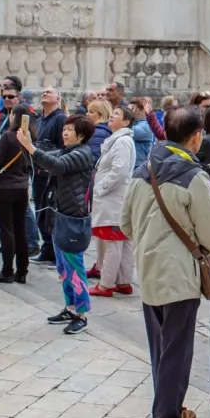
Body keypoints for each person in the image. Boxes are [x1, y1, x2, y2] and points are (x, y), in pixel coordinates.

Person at [122, 107, 210, 418]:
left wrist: (150, 242)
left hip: (149, 269)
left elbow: (125, 223)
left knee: (161, 349)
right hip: (179, 272)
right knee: (177, 351)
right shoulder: (193, 175)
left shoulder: (143, 169)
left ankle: (171, 407)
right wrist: (198, 251)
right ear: (196, 137)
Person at [18, 114, 95, 334]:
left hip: (73, 218)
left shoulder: (82, 153)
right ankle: (70, 308)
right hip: (60, 216)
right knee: (63, 268)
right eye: (64, 129)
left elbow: (57, 165)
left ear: (81, 135)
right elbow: (42, 161)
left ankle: (81, 314)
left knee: (75, 268)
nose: (65, 132)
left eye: (70, 130)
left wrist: (30, 146)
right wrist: (26, 144)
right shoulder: (67, 151)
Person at [89, 106, 136, 298]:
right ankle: (124, 281)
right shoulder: (119, 140)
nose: (111, 116)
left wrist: (101, 188)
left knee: (112, 241)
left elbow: (119, 171)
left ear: (126, 122)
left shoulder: (122, 141)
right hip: (114, 198)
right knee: (122, 242)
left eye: (117, 114)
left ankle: (106, 284)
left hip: (113, 199)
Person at [0, 105, 33, 285]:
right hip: (22, 187)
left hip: (5, 187)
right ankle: (22, 271)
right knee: (20, 229)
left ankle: (7, 271)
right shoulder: (30, 137)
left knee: (6, 229)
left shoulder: (8, 136)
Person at [30, 85, 66, 264]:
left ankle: (52, 250)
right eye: (43, 91)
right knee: (40, 208)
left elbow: (63, 147)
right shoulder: (40, 119)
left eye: (49, 92)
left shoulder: (60, 119)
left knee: (49, 210)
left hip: (49, 172)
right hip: (37, 171)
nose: (44, 93)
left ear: (57, 99)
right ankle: (46, 247)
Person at [129, 98, 156, 165]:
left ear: (142, 110)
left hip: (139, 166)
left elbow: (130, 131)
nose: (129, 112)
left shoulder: (147, 125)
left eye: (132, 109)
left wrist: (124, 117)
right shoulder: (134, 123)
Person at [86, 99, 112, 164]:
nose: (87, 114)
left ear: (101, 115)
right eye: (87, 111)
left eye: (91, 112)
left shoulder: (98, 133)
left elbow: (94, 158)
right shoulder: (105, 129)